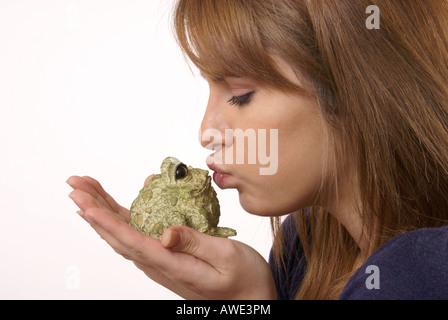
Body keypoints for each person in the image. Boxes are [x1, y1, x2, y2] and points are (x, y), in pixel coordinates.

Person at [67, 0, 448, 299]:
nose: (206, 132)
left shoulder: (414, 275)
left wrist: (251, 298)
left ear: (355, 94)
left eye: (240, 95)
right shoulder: (305, 245)